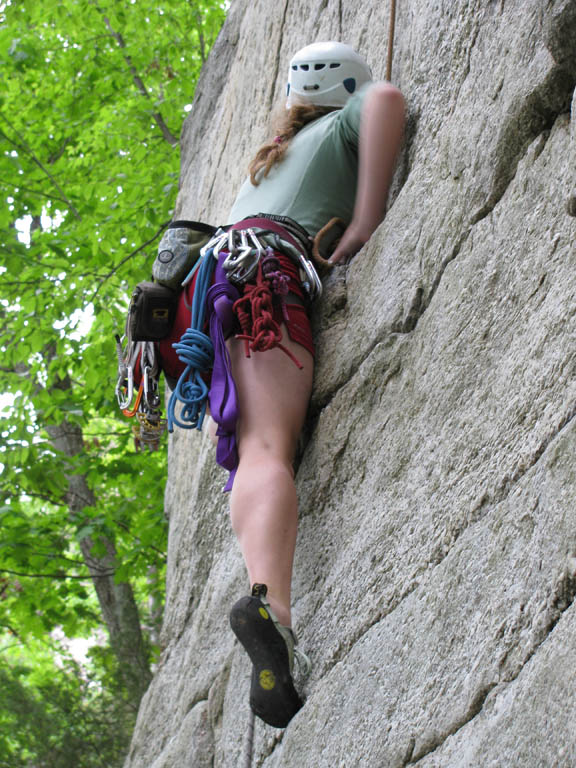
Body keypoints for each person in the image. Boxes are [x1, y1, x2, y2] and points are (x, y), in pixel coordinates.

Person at [216, 41, 405, 728]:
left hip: (221, 296)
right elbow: (384, 99)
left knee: (251, 452)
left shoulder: (269, 159)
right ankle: (273, 607)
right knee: (269, 445)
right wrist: (366, 216)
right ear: (341, 88)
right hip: (267, 278)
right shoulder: (340, 121)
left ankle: (262, 594)